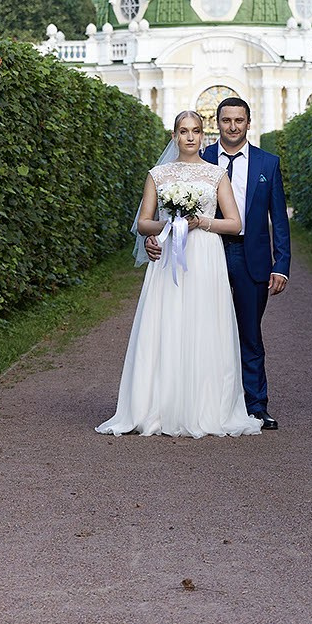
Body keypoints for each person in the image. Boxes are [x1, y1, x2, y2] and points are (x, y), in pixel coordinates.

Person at [97, 110, 263, 437]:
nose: (190, 137)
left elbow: (234, 223)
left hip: (205, 256)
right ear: (174, 136)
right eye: (184, 131)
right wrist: (169, 225)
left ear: (203, 136)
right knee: (167, 323)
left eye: (196, 131)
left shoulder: (217, 175)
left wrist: (201, 222)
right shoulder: (158, 174)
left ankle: (205, 406)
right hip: (169, 258)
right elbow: (144, 221)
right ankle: (161, 405)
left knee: (204, 326)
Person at [191, 97, 290, 427]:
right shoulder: (200, 159)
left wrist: (281, 264)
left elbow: (278, 217)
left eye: (239, 120)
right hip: (208, 250)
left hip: (252, 256)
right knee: (206, 329)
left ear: (249, 123)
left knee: (249, 332)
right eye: (226, 120)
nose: (232, 126)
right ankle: (207, 403)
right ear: (217, 123)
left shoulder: (267, 163)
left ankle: (256, 405)